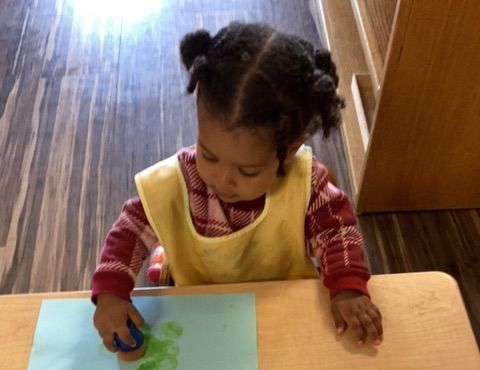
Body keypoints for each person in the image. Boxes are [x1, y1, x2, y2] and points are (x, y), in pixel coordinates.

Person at [91, 22, 383, 352]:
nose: (222, 179)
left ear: (289, 149)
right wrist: (111, 292)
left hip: (277, 307)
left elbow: (336, 233)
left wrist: (347, 288)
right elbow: (129, 230)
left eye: (247, 170)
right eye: (208, 155)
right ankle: (166, 258)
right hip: (198, 307)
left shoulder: (307, 184)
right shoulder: (176, 183)